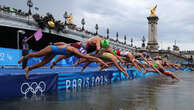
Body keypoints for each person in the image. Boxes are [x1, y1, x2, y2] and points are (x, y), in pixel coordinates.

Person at [18, 43, 108, 78]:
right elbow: (87, 57)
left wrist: (54, 63)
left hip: (54, 52)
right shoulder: (73, 50)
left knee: (43, 63)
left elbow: (61, 53)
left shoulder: (73, 52)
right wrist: (98, 59)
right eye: (81, 53)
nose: (80, 55)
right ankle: (24, 57)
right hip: (51, 48)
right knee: (38, 54)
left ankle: (28, 69)